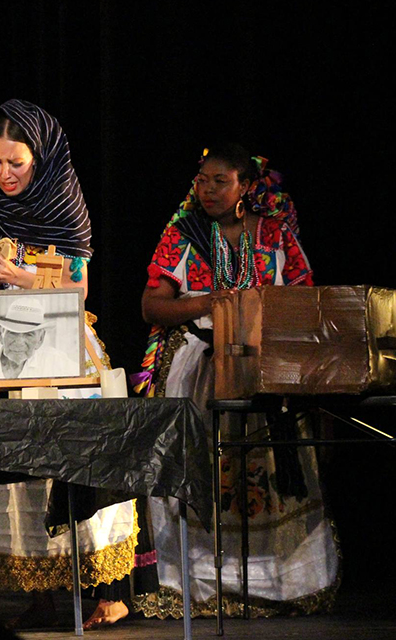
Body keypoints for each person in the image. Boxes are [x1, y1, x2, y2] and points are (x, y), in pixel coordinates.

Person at [0, 99, 137, 630]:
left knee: (77, 457)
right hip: (1, 350)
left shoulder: (62, 199)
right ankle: (39, 593)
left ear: (39, 156)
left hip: (61, 347)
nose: (5, 173)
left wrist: (22, 278)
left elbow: (79, 288)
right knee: (19, 470)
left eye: (15, 162)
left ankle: (105, 591)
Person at [136, 144, 339, 617]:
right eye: (202, 180)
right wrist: (211, 304)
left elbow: (306, 301)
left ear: (245, 186)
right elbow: (152, 305)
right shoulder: (184, 233)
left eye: (220, 181)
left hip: (264, 370)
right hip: (199, 366)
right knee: (202, 470)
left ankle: (277, 584)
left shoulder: (275, 235)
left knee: (269, 473)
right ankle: (196, 584)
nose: (207, 189)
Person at [0, 297, 77, 379]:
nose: (19, 342)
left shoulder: (58, 363)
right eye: (13, 333)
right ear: (0, 333)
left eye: (29, 335)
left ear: (40, 339)